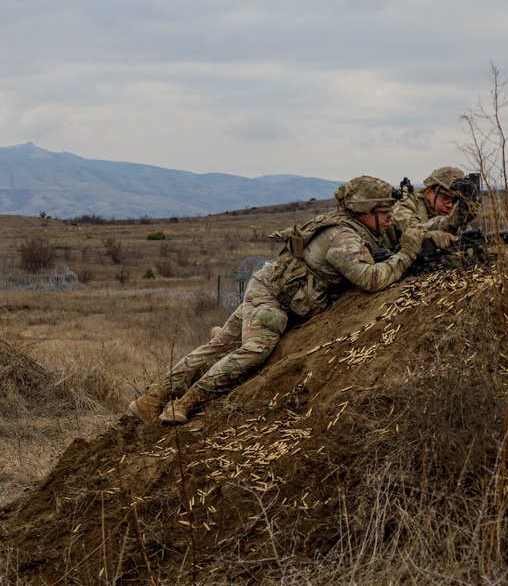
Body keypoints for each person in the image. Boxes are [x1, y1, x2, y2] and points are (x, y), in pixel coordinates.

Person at [128, 176, 426, 426]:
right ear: (366, 212)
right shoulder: (342, 238)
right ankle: (187, 402)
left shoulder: (360, 228)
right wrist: (408, 254)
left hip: (275, 287)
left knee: (217, 346)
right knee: (255, 350)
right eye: (385, 213)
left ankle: (149, 401)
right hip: (273, 296)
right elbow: (371, 280)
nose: (390, 219)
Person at [391, 166, 479, 249]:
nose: (450, 205)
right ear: (429, 193)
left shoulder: (455, 216)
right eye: (444, 197)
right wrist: (449, 223)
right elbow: (412, 230)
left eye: (455, 200)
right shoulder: (407, 201)